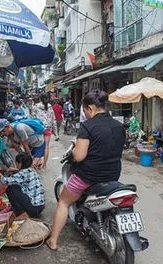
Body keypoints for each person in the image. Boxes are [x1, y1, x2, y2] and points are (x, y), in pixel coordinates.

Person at [46, 90, 125, 250]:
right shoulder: (118, 125)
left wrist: (75, 150)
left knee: (64, 202)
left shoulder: (88, 126)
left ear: (90, 108)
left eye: (84, 110)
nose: (84, 113)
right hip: (113, 173)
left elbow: (79, 156)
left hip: (89, 176)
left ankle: (53, 241)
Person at [0, 153, 45, 218]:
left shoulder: (22, 173)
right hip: (40, 206)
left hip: (33, 208)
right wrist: (16, 170)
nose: (16, 165)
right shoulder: (32, 170)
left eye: (17, 163)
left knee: (11, 188)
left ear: (20, 163)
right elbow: (21, 176)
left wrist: (0, 176)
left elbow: (5, 181)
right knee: (16, 186)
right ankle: (24, 211)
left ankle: (20, 213)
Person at [31, 95, 56, 169]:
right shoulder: (50, 106)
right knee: (46, 147)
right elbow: (53, 119)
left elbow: (33, 118)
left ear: (40, 99)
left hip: (38, 129)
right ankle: (44, 165)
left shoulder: (35, 106)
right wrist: (55, 131)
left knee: (38, 145)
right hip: (47, 129)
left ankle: (39, 161)